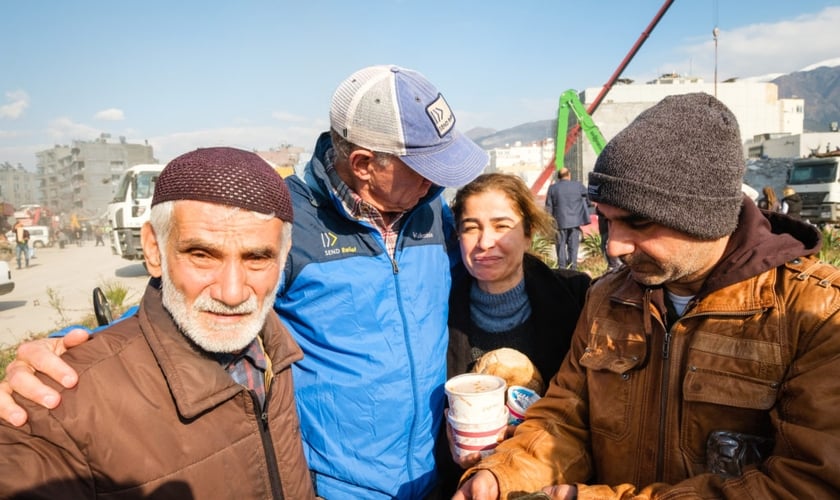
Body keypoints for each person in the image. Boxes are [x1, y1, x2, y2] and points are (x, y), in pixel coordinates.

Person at [0, 65, 488, 499]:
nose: (436, 182)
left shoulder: (431, 212)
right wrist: (67, 353)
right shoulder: (285, 222)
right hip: (340, 484)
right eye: (424, 168)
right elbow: (195, 300)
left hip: (439, 467)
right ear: (363, 165)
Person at [454, 93, 840, 499]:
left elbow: (808, 483)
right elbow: (565, 415)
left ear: (703, 217)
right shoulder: (607, 299)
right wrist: (503, 475)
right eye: (607, 221)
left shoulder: (815, 312)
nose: (615, 247)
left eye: (637, 222)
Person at [0, 147, 314, 498]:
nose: (232, 292)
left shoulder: (274, 348)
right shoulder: (60, 406)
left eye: (257, 258)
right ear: (153, 249)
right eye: (202, 255)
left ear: (283, 258)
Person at [438, 173, 590, 494]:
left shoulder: (578, 299)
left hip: (552, 483)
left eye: (501, 225)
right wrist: (449, 440)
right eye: (471, 227)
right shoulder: (436, 313)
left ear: (528, 233)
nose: (485, 242)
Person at [545, 168, 590, 270]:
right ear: (569, 175)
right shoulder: (578, 186)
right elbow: (588, 198)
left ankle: (562, 268)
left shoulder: (553, 188)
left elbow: (549, 206)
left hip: (559, 222)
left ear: (558, 177)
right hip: (575, 221)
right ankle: (573, 268)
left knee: (560, 246)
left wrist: (549, 222)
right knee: (573, 246)